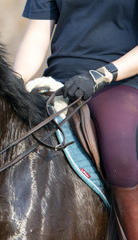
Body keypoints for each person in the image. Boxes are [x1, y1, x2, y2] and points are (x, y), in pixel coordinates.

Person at [14, 1, 138, 239]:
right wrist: (13, 82)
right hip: (61, 82)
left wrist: (101, 75)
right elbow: (38, 35)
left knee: (121, 157)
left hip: (119, 81)